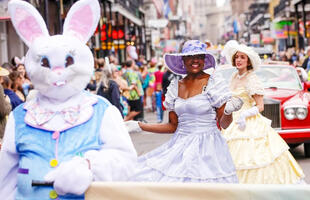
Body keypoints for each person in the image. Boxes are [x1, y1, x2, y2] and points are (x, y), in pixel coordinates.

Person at [125, 40, 243, 183]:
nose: (195, 60)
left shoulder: (214, 83)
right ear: (183, 59)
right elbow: (172, 126)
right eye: (190, 56)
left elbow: (224, 124)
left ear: (204, 59)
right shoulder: (175, 85)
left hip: (208, 149)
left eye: (199, 56)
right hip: (180, 147)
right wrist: (139, 125)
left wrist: (228, 112)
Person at [221, 42, 305, 184]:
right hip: (232, 121)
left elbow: (260, 106)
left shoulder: (252, 78)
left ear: (248, 61)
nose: (239, 60)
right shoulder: (234, 76)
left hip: (248, 120)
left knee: (254, 157)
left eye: (242, 57)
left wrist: (245, 115)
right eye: (237, 57)